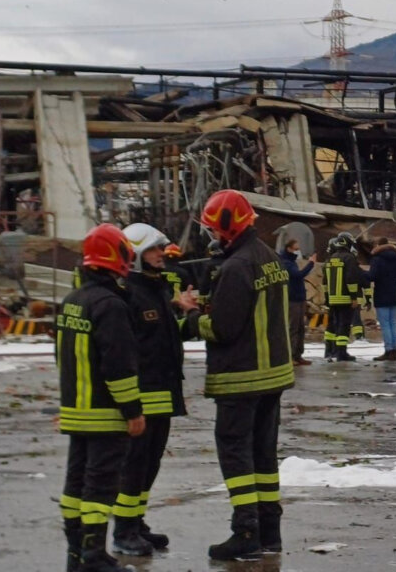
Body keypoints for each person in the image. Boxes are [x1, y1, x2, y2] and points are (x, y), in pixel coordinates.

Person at [194, 189, 295, 561]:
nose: (210, 236)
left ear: (225, 228)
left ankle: (246, 531)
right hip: (272, 377)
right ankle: (270, 532)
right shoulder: (268, 257)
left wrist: (191, 318)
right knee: (264, 458)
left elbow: (223, 328)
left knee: (236, 456)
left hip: (241, 377)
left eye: (212, 229)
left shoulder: (237, 267)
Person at [57, 224, 145, 572]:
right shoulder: (110, 305)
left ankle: (77, 555)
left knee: (75, 485)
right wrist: (132, 411)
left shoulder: (71, 301)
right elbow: (119, 366)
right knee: (100, 486)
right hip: (106, 415)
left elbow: (61, 359)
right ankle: (94, 557)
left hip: (76, 412)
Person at [110, 223, 200, 556]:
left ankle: (137, 522)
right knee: (134, 465)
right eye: (153, 249)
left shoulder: (157, 288)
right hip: (143, 396)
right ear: (134, 255)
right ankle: (123, 529)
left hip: (164, 393)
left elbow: (166, 337)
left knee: (151, 464)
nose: (161, 254)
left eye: (160, 248)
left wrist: (186, 315)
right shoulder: (128, 293)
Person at [366, 237, 396, 362]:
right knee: (393, 324)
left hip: (381, 295)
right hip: (395, 295)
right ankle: (394, 351)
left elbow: (371, 276)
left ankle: (388, 351)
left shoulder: (377, 259)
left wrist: (361, 273)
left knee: (385, 324)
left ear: (378, 245)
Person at [322, 233, 363, 361]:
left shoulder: (330, 258)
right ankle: (341, 353)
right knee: (344, 326)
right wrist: (354, 297)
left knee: (332, 325)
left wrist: (327, 298)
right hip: (345, 298)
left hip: (333, 299)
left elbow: (325, 282)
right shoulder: (349, 258)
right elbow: (351, 279)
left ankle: (330, 350)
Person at [279, 238, 317, 366]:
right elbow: (298, 275)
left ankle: (298, 354)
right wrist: (311, 263)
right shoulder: (286, 262)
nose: (298, 251)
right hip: (293, 299)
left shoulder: (291, 261)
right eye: (296, 248)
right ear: (289, 248)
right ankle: (291, 356)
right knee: (294, 328)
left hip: (299, 298)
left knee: (301, 328)